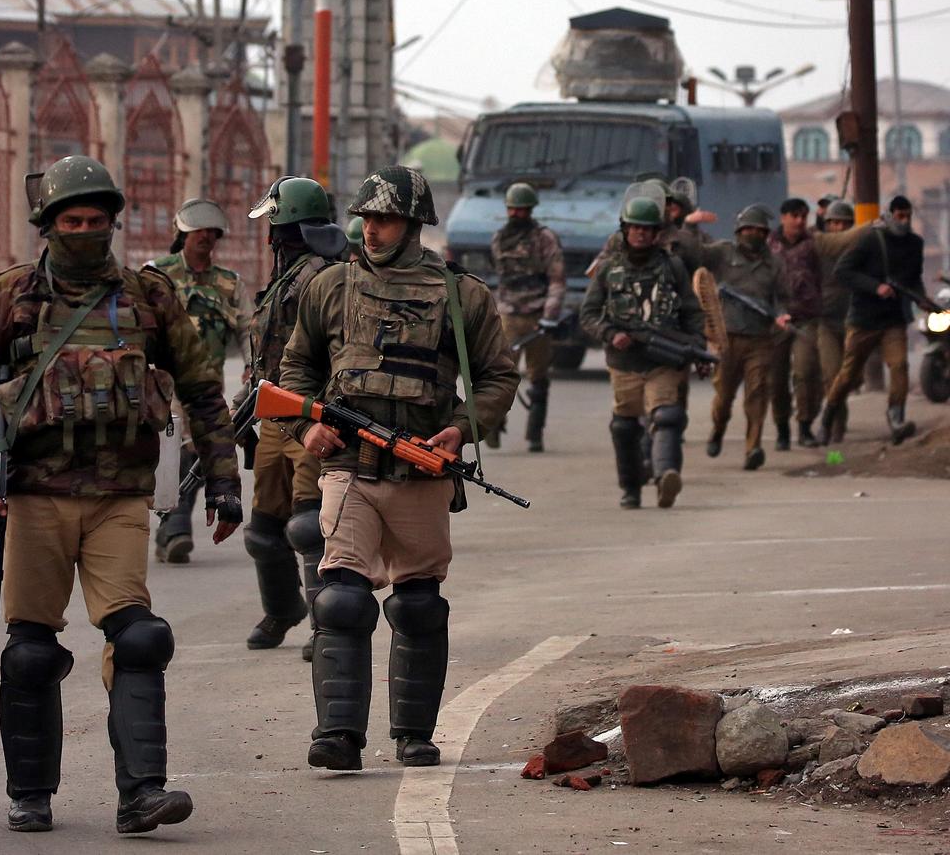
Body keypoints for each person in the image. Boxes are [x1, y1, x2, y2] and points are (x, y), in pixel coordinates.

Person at [0, 155, 242, 834]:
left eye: (96, 220)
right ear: (47, 224)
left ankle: (142, 793)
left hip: (119, 495)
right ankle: (31, 793)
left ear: (114, 222)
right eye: (72, 220)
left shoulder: (147, 297)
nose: (85, 230)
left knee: (138, 636)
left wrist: (224, 478)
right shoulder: (8, 298)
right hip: (34, 496)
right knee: (29, 650)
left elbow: (201, 389)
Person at [280, 165, 518, 771]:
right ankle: (337, 734)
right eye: (365, 218)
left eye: (384, 219)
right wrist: (307, 425)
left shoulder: (462, 294)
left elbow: (497, 376)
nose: (371, 230)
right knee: (341, 600)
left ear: (414, 225)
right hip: (349, 470)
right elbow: (296, 371)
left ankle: (414, 734)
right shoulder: (331, 286)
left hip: (420, 471)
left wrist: (461, 429)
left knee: (417, 604)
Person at [242, 177, 345, 659]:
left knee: (308, 524)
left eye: (271, 225)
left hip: (310, 414)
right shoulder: (285, 276)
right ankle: (283, 609)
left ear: (284, 227)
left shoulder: (323, 276)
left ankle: (326, 622)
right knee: (264, 527)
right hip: (273, 416)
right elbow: (265, 349)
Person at [580, 188, 707, 508]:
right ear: (625, 229)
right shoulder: (608, 268)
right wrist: (610, 333)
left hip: (664, 357)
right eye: (635, 227)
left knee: (667, 415)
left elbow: (692, 311)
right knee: (625, 425)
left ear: (656, 233)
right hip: (624, 361)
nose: (640, 233)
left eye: (647, 229)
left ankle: (666, 476)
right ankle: (631, 488)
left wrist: (698, 347)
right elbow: (589, 314)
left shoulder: (672, 266)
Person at [151, 198, 252, 564]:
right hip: (161, 382)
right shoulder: (156, 275)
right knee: (170, 451)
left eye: (212, 234)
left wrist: (251, 366)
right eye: (199, 233)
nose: (206, 239)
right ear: (182, 235)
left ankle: (173, 527)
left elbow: (247, 329)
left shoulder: (229, 283)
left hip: (205, 386)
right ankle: (171, 524)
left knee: (194, 450)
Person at [820, 195, 926, 445]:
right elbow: (843, 271)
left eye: (908, 215)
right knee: (847, 375)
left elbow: (914, 279)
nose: (904, 220)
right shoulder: (870, 239)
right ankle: (828, 416)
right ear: (889, 215)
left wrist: (921, 299)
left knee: (899, 366)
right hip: (863, 319)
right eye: (899, 215)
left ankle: (896, 417)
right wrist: (874, 287)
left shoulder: (915, 244)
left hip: (893, 319)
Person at [699, 206, 792, 471]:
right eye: (749, 229)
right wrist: (691, 226)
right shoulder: (722, 252)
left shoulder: (774, 263)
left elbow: (783, 297)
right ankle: (718, 430)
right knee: (724, 396)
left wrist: (783, 315)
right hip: (726, 337)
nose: (754, 234)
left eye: (760, 231)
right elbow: (694, 253)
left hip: (760, 338)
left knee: (757, 393)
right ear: (739, 231)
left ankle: (753, 447)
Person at [487, 181, 564, 452]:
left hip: (537, 317)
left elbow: (556, 278)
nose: (516, 214)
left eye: (521, 210)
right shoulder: (499, 238)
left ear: (530, 210)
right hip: (508, 315)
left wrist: (550, 313)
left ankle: (534, 435)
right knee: (500, 376)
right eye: (513, 209)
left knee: (539, 378)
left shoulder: (545, 238)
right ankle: (493, 427)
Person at [767, 198, 823, 450]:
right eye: (794, 216)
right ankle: (782, 430)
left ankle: (804, 426)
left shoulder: (814, 245)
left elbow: (825, 275)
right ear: (783, 217)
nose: (799, 221)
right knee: (776, 379)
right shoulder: (768, 245)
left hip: (806, 317)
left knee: (805, 372)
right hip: (776, 320)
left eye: (803, 216)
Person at [815, 199, 867, 442]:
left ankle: (836, 420)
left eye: (844, 223)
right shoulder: (818, 249)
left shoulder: (863, 251)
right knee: (832, 374)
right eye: (833, 223)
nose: (838, 227)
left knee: (849, 377)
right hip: (826, 321)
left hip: (854, 321)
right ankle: (835, 426)